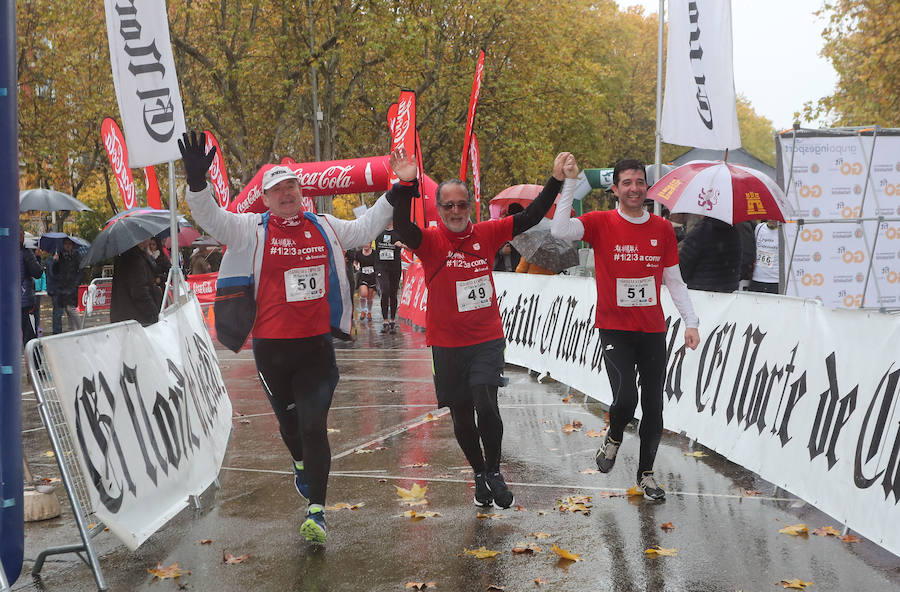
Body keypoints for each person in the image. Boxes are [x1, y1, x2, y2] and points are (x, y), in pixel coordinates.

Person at [178, 130, 405, 545]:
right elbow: (213, 220)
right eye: (276, 189)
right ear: (264, 198)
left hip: (316, 347)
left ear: (302, 193)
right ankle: (299, 461)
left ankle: (316, 512)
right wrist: (197, 184)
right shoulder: (253, 229)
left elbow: (367, 224)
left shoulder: (325, 226)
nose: (286, 194)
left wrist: (398, 187)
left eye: (291, 187)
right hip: (272, 351)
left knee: (314, 424)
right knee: (290, 426)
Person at [392, 151, 569, 509]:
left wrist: (557, 180)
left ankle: (494, 470)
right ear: (439, 209)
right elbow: (402, 229)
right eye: (448, 207)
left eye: (461, 205)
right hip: (445, 344)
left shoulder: (487, 233)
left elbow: (532, 215)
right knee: (460, 415)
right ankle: (478, 473)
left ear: (469, 206)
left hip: (486, 338)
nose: (456, 212)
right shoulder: (430, 241)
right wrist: (406, 183)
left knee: (486, 402)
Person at [551, 156, 700, 501]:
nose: (634, 189)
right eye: (627, 183)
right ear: (615, 189)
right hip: (614, 328)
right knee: (626, 398)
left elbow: (674, 282)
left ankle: (646, 475)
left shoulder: (662, 229)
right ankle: (614, 435)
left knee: (654, 406)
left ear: (647, 188)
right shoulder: (601, 222)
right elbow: (559, 230)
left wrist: (691, 322)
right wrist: (570, 182)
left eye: (639, 182)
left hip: (651, 331)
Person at [678, 215, 742, 293]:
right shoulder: (734, 231)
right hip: (729, 292)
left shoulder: (700, 232)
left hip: (701, 293)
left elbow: (683, 267)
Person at [110, 238, 163, 326]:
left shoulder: (125, 255)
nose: (150, 240)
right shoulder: (136, 259)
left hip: (124, 317)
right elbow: (139, 291)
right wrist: (153, 314)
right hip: (136, 320)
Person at [374, 222, 403, 333]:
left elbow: (411, 247)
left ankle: (392, 320)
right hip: (381, 267)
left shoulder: (398, 232)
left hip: (395, 267)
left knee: (393, 293)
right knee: (385, 290)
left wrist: (402, 245)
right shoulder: (377, 230)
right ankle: (385, 320)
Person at [51, 238, 83, 334]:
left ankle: (81, 329)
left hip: (72, 286)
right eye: (65, 244)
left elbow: (81, 271)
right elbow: (55, 272)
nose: (67, 246)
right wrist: (55, 262)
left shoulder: (77, 255)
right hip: (63, 286)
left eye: (69, 244)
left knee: (71, 308)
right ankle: (71, 331)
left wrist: (76, 282)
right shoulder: (60, 256)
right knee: (67, 309)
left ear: (73, 245)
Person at [20, 228, 44, 345]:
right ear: (21, 236)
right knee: (29, 335)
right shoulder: (25, 253)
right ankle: (34, 361)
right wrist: (38, 258)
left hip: (8, 300)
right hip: (24, 300)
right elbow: (37, 272)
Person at [749, 219, 780, 294]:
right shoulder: (759, 228)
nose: (773, 219)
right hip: (757, 278)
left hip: (775, 280)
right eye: (771, 216)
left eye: (775, 217)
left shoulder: (783, 231)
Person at [493, 203, 524, 272]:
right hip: (503, 272)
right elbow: (488, 251)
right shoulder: (499, 231)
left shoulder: (525, 233)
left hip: (519, 272)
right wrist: (501, 252)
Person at [354, 243, 378, 321]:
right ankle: (363, 310)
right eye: (364, 243)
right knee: (364, 294)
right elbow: (355, 262)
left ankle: (369, 312)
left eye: (367, 243)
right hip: (363, 276)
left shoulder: (375, 253)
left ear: (370, 244)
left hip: (372, 276)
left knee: (370, 296)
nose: (365, 244)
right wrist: (356, 266)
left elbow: (378, 263)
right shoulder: (358, 253)